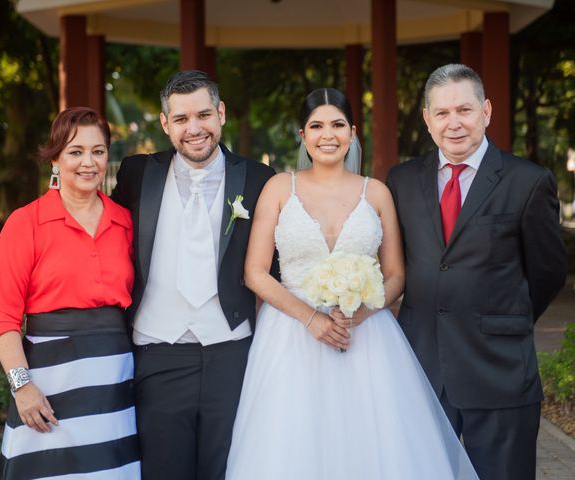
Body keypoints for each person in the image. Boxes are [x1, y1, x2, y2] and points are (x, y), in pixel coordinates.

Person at [226, 87, 478, 479]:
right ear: (302, 136)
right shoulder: (279, 188)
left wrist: (360, 313)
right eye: (317, 126)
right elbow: (255, 272)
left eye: (338, 125)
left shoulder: (375, 192)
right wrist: (312, 319)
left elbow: (395, 275)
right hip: (291, 338)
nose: (328, 135)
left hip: (366, 338)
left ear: (353, 132)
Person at [386, 63, 567, 480]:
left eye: (464, 110)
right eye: (442, 113)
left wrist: (503, 319)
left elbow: (548, 273)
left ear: (486, 111)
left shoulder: (528, 181)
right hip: (421, 368)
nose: (454, 123)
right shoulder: (401, 180)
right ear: (428, 119)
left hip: (499, 371)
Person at [111, 70, 276, 480]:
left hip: (232, 350)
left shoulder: (259, 179)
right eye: (181, 119)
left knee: (228, 468)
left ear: (221, 113)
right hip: (157, 351)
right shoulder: (136, 174)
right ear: (166, 124)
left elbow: (278, 264)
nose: (194, 128)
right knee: (163, 470)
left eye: (203, 114)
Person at [0, 107, 140, 479]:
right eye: (76, 152)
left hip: (113, 380)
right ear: (55, 157)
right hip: (47, 384)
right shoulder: (26, 223)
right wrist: (22, 388)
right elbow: (3, 317)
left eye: (98, 151)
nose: (88, 162)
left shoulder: (124, 221)